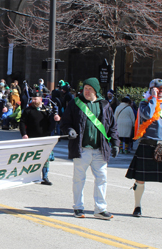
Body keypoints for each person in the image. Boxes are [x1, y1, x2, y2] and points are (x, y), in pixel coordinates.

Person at [60, 77, 119, 220]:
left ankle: (100, 209)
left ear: (96, 90)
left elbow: (112, 126)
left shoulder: (105, 105)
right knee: (79, 179)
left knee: (102, 179)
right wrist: (69, 130)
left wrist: (116, 143)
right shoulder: (75, 104)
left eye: (89, 89)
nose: (86, 91)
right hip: (82, 149)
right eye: (85, 88)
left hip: (100, 149)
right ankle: (78, 207)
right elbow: (65, 122)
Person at [126, 79, 162, 221]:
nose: (161, 89)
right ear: (151, 89)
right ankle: (137, 207)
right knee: (140, 179)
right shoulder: (144, 104)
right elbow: (148, 115)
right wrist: (153, 99)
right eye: (157, 88)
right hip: (147, 144)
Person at [20, 91, 60, 185]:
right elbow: (22, 122)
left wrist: (56, 118)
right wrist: (24, 134)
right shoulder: (28, 110)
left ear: (41, 99)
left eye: (35, 99)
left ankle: (45, 177)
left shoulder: (47, 110)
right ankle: (31, 176)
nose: (33, 101)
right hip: (32, 138)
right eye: (32, 99)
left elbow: (52, 123)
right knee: (32, 158)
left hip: (44, 138)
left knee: (45, 159)